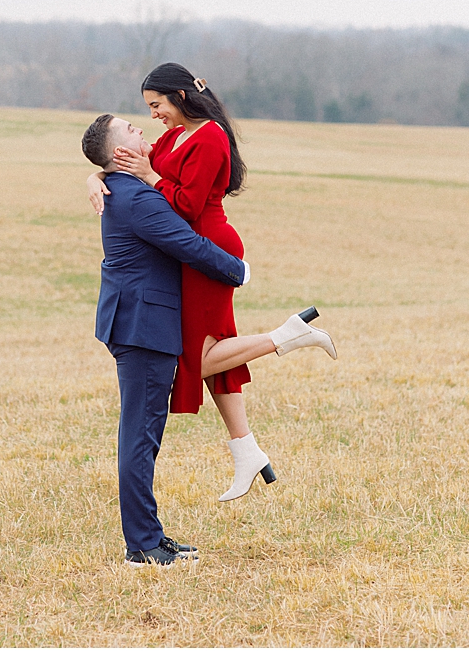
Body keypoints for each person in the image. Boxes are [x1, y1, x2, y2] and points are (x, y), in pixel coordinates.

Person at [88, 63, 337, 500]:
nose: (153, 117)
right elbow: (135, 164)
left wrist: (149, 177)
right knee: (210, 348)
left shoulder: (210, 137)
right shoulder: (176, 135)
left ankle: (287, 335)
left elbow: (184, 204)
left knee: (191, 359)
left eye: (157, 105)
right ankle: (246, 450)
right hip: (186, 249)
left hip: (206, 248)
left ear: (180, 96)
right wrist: (98, 173)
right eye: (147, 109)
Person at [81, 114, 249, 566]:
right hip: (143, 327)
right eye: (133, 130)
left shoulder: (123, 189)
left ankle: (149, 537)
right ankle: (143, 546)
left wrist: (95, 175)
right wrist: (239, 270)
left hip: (135, 322)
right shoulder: (139, 200)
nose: (143, 131)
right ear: (122, 154)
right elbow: (190, 245)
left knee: (142, 434)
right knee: (140, 437)